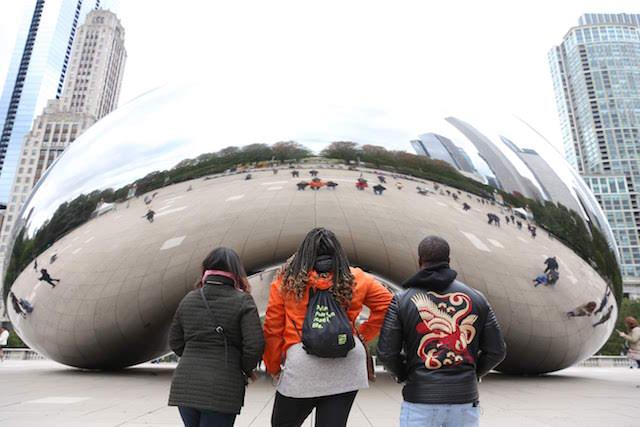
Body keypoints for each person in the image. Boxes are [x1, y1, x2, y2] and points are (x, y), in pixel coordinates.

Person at [263, 228, 393, 427]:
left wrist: (273, 366)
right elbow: (388, 305)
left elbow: (273, 327)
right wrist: (361, 334)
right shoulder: (356, 278)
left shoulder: (286, 281)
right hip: (347, 360)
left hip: (303, 363)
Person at [377, 235, 506, 427]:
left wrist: (405, 375)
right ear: (449, 261)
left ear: (420, 261)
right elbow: (497, 351)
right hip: (464, 400)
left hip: (420, 400)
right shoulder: (477, 298)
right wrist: (472, 373)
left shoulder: (401, 300)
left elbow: (386, 353)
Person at [168, 247, 264, 427]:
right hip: (222, 389)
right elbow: (255, 345)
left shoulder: (189, 298)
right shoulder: (243, 300)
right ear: (236, 272)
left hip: (185, 386)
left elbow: (174, 341)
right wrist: (241, 368)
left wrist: (193, 355)